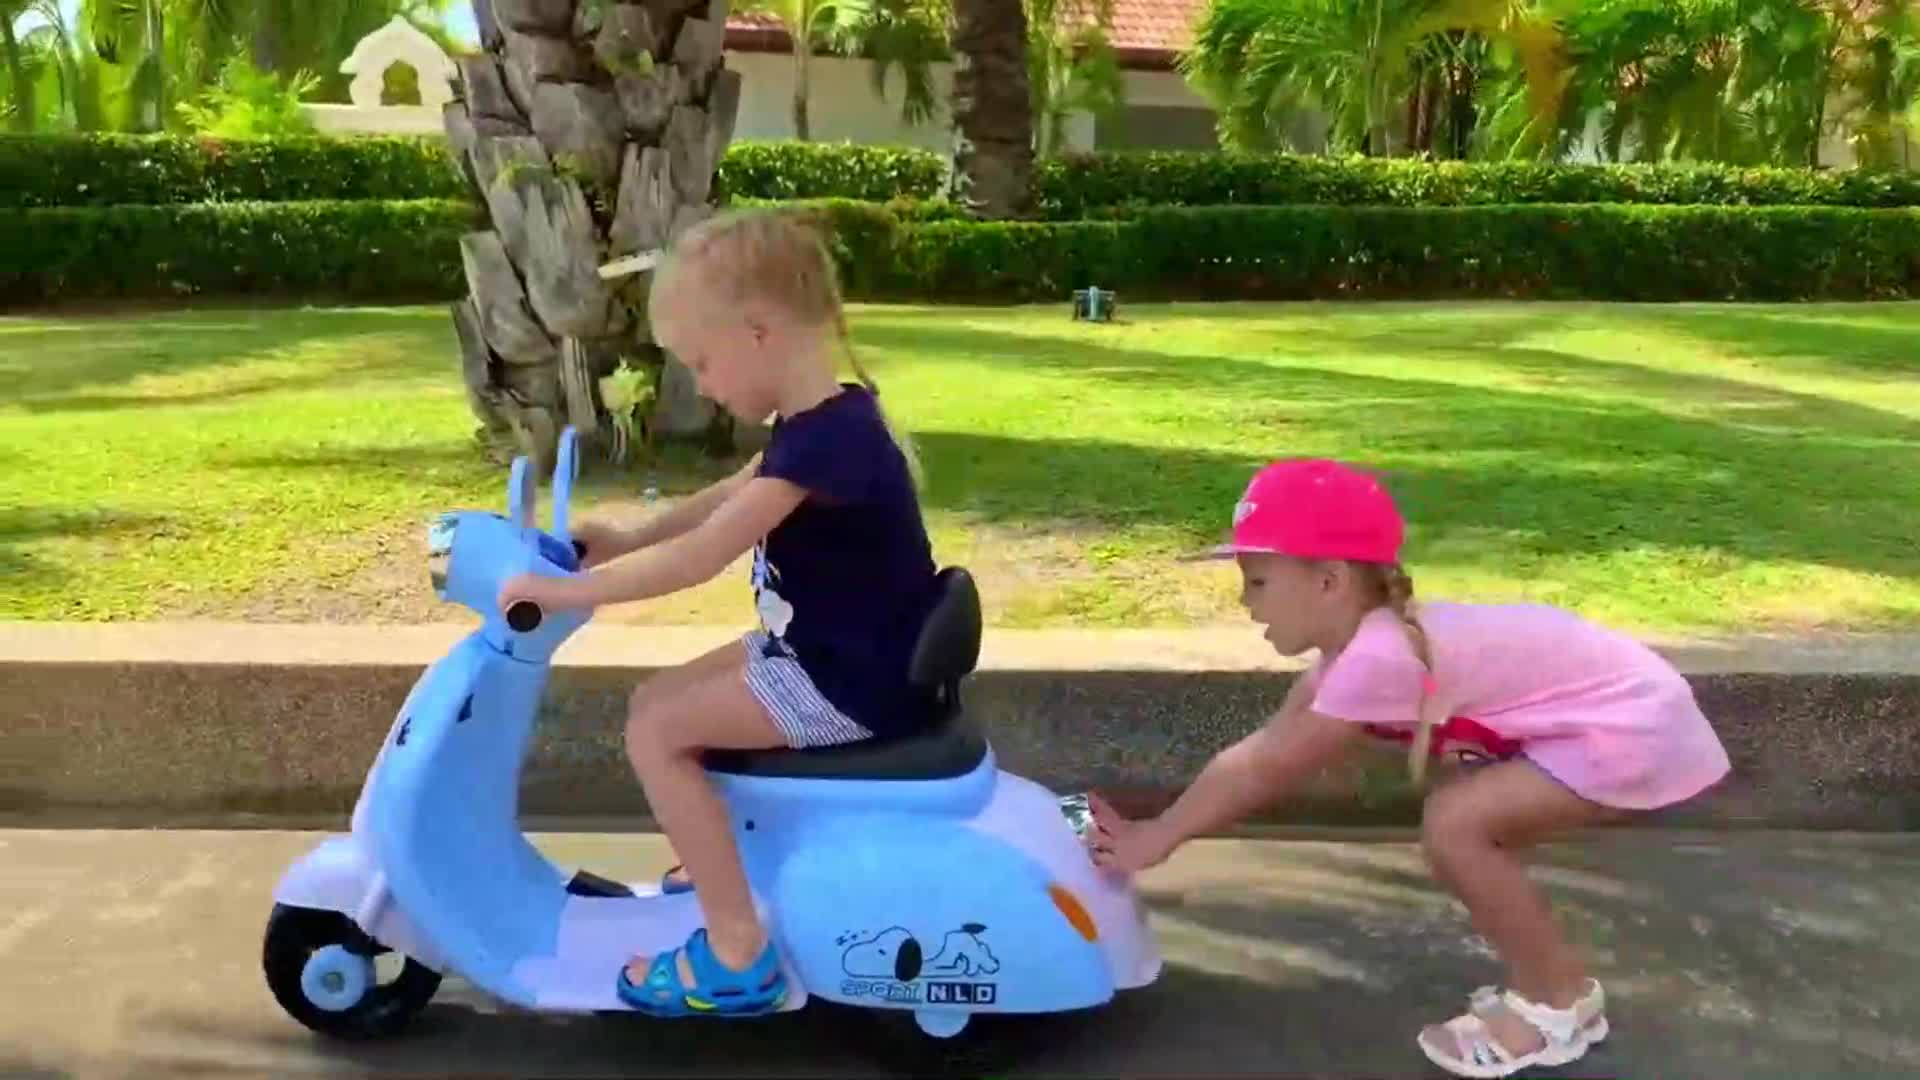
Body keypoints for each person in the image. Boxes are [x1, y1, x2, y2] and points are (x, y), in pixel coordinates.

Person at [1086, 458, 1730, 1078]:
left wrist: (1157, 837)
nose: (1245, 601)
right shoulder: (1363, 649)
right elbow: (1264, 751)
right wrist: (1160, 831)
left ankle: (1557, 1007)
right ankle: (1554, 983)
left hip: (1633, 725)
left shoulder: (1376, 658)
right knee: (1464, 830)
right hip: (1629, 710)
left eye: (1258, 581)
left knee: (1457, 828)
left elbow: (1264, 768)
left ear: (1330, 581)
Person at [496, 208, 940, 1018]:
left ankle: (737, 952)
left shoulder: (828, 442)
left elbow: (703, 557)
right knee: (652, 704)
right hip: (826, 655)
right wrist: (627, 538)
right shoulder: (820, 422)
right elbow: (719, 504)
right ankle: (719, 865)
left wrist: (564, 596)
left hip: (847, 681)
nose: (698, 383)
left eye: (701, 361)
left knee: (657, 733)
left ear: (760, 331)